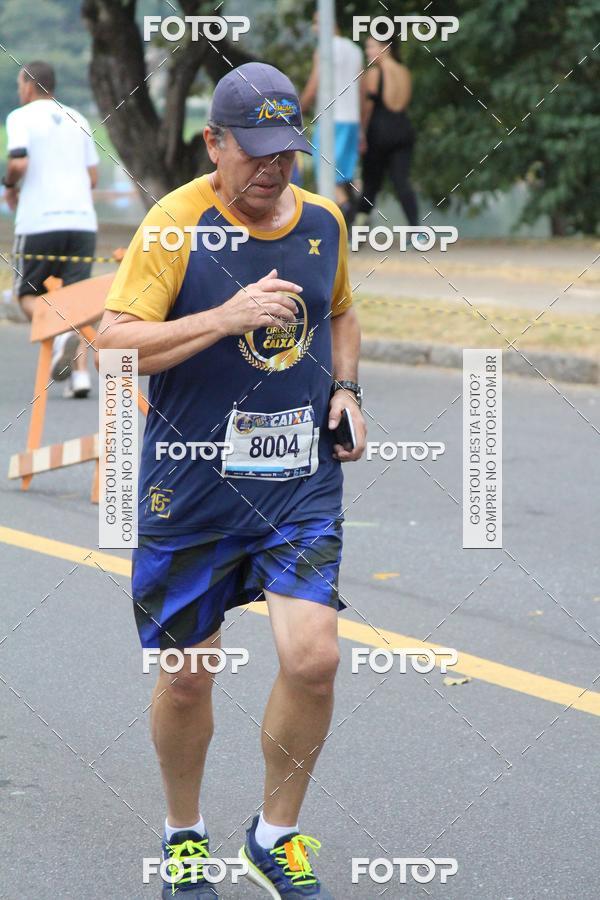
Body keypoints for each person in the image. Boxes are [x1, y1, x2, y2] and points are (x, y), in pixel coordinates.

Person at [97, 62, 366, 899]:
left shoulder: (322, 222)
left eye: (286, 153)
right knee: (186, 677)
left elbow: (343, 312)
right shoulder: (174, 226)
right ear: (213, 142)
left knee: (314, 658)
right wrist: (227, 316)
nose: (272, 170)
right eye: (253, 153)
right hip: (192, 485)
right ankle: (185, 834)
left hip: (298, 482)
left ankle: (274, 836)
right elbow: (109, 343)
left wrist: (349, 390)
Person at [3, 61, 99, 398]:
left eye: (19, 85)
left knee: (25, 295)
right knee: (76, 301)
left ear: (29, 86)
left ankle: (60, 336)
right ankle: (81, 376)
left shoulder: (20, 117)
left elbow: (18, 162)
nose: (19, 92)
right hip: (82, 222)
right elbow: (93, 178)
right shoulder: (79, 118)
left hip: (40, 221)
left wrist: (9, 185)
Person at [300, 12, 364, 228]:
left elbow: (314, 84)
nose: (314, 28)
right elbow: (361, 91)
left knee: (327, 171)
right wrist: (362, 126)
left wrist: (296, 110)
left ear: (329, 24)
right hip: (352, 119)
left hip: (331, 120)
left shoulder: (324, 50)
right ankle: (355, 212)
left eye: (317, 23)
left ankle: (344, 213)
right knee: (345, 173)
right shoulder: (355, 50)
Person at [357, 37, 419, 227]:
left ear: (385, 48)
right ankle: (417, 230)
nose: (367, 52)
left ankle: (355, 233)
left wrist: (361, 133)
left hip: (379, 133)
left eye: (371, 47)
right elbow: (402, 103)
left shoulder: (375, 73)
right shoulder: (404, 72)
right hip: (403, 130)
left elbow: (367, 107)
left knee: (370, 186)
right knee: (402, 183)